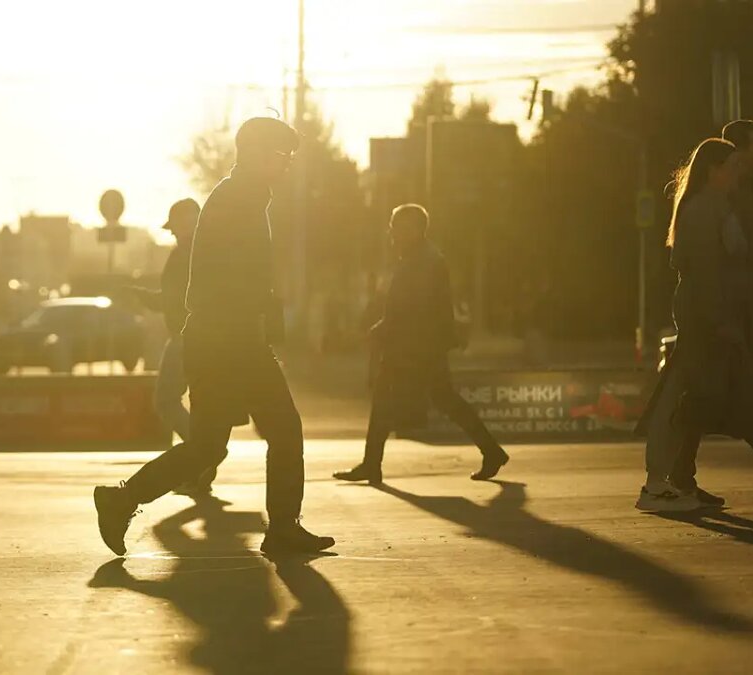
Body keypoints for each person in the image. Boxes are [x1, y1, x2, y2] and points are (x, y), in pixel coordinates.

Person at [93, 117, 335, 556]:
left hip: (220, 339)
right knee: (283, 430)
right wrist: (257, 318)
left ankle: (121, 498)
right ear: (258, 154)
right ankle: (282, 528)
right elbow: (225, 281)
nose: (286, 166)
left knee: (207, 446)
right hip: (229, 341)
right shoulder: (235, 202)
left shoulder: (243, 198)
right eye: (282, 157)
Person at [635, 137, 753, 512]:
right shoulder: (701, 210)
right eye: (731, 166)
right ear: (713, 170)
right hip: (712, 321)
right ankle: (659, 483)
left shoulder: (717, 205)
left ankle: (664, 481)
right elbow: (706, 273)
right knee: (738, 403)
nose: (736, 173)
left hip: (722, 319)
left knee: (699, 400)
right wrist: (721, 320)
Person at [333, 204, 509, 485]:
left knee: (391, 400)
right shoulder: (419, 258)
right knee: (438, 399)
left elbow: (415, 309)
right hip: (417, 347)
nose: (391, 232)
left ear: (413, 229)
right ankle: (491, 451)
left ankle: (372, 465)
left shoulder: (424, 261)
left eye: (396, 226)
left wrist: (383, 330)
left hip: (414, 349)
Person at [126, 198, 219, 496]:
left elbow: (173, 299)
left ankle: (204, 453)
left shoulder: (188, 255)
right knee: (198, 400)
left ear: (190, 221)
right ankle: (202, 461)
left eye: (176, 227)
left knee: (166, 399)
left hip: (186, 337)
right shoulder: (203, 252)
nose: (173, 234)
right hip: (199, 336)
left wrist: (140, 296)